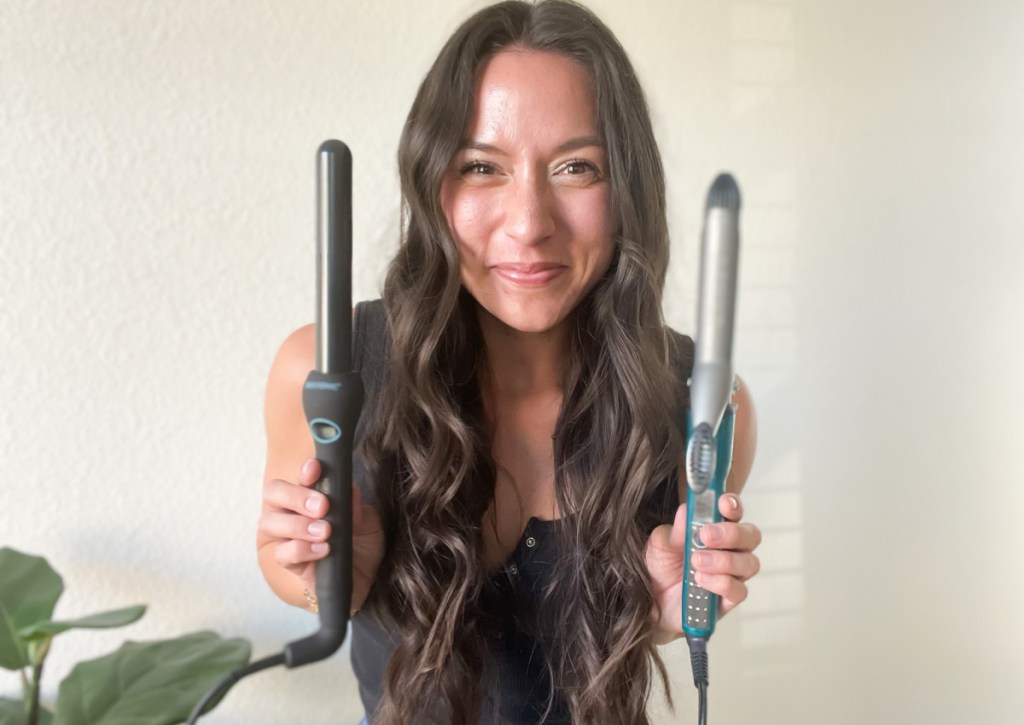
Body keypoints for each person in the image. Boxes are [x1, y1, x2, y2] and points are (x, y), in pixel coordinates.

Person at [257, 1, 761, 723]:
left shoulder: (704, 407)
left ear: (627, 189)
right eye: (482, 167)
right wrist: (326, 574)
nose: (528, 223)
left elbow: (634, 628)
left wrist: (665, 604)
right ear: (433, 183)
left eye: (575, 167)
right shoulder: (324, 369)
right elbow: (291, 566)